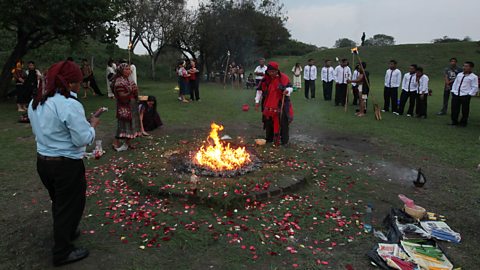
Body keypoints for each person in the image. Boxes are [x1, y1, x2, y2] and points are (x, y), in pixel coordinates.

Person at [28, 60, 100, 266]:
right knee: (70, 205)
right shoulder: (69, 104)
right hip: (65, 165)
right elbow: (82, 139)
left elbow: (43, 130)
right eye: (77, 82)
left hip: (44, 162)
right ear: (68, 84)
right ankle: (62, 252)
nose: (79, 85)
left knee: (60, 202)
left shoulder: (37, 101)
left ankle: (66, 231)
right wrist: (92, 125)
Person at [255, 61, 294, 146]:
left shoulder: (283, 78)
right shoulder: (265, 79)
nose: (271, 73)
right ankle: (269, 138)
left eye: (273, 72)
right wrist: (257, 101)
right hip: (268, 104)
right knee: (268, 121)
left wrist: (287, 91)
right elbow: (259, 90)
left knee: (283, 122)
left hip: (281, 104)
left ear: (277, 71)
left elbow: (291, 87)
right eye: (270, 72)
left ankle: (284, 141)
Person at [112, 63, 142, 151]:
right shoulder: (119, 82)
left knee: (130, 124)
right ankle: (116, 142)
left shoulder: (129, 79)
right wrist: (130, 92)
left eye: (129, 69)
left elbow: (135, 92)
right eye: (126, 69)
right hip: (124, 106)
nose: (129, 71)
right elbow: (122, 96)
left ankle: (128, 143)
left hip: (132, 105)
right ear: (121, 71)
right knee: (123, 124)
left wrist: (135, 91)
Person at [450, 61, 478, 126]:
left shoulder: (473, 77)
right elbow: (455, 83)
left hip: (465, 95)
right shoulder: (460, 74)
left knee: (465, 109)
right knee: (454, 108)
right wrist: (453, 91)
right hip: (456, 94)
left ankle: (463, 122)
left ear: (471, 68)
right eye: (464, 66)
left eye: (466, 66)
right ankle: (454, 121)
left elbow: (475, 87)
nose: (464, 67)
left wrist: (470, 94)